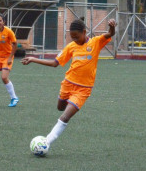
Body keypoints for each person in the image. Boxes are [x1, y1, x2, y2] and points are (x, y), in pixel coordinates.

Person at [21, 18, 116, 149]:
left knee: (65, 116)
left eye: (77, 37)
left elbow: (110, 34)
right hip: (68, 84)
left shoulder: (95, 42)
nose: (74, 40)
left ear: (84, 32)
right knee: (60, 107)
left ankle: (46, 142)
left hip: (83, 89)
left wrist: (112, 27)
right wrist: (33, 59)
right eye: (72, 38)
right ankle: (70, 105)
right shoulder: (71, 46)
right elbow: (55, 63)